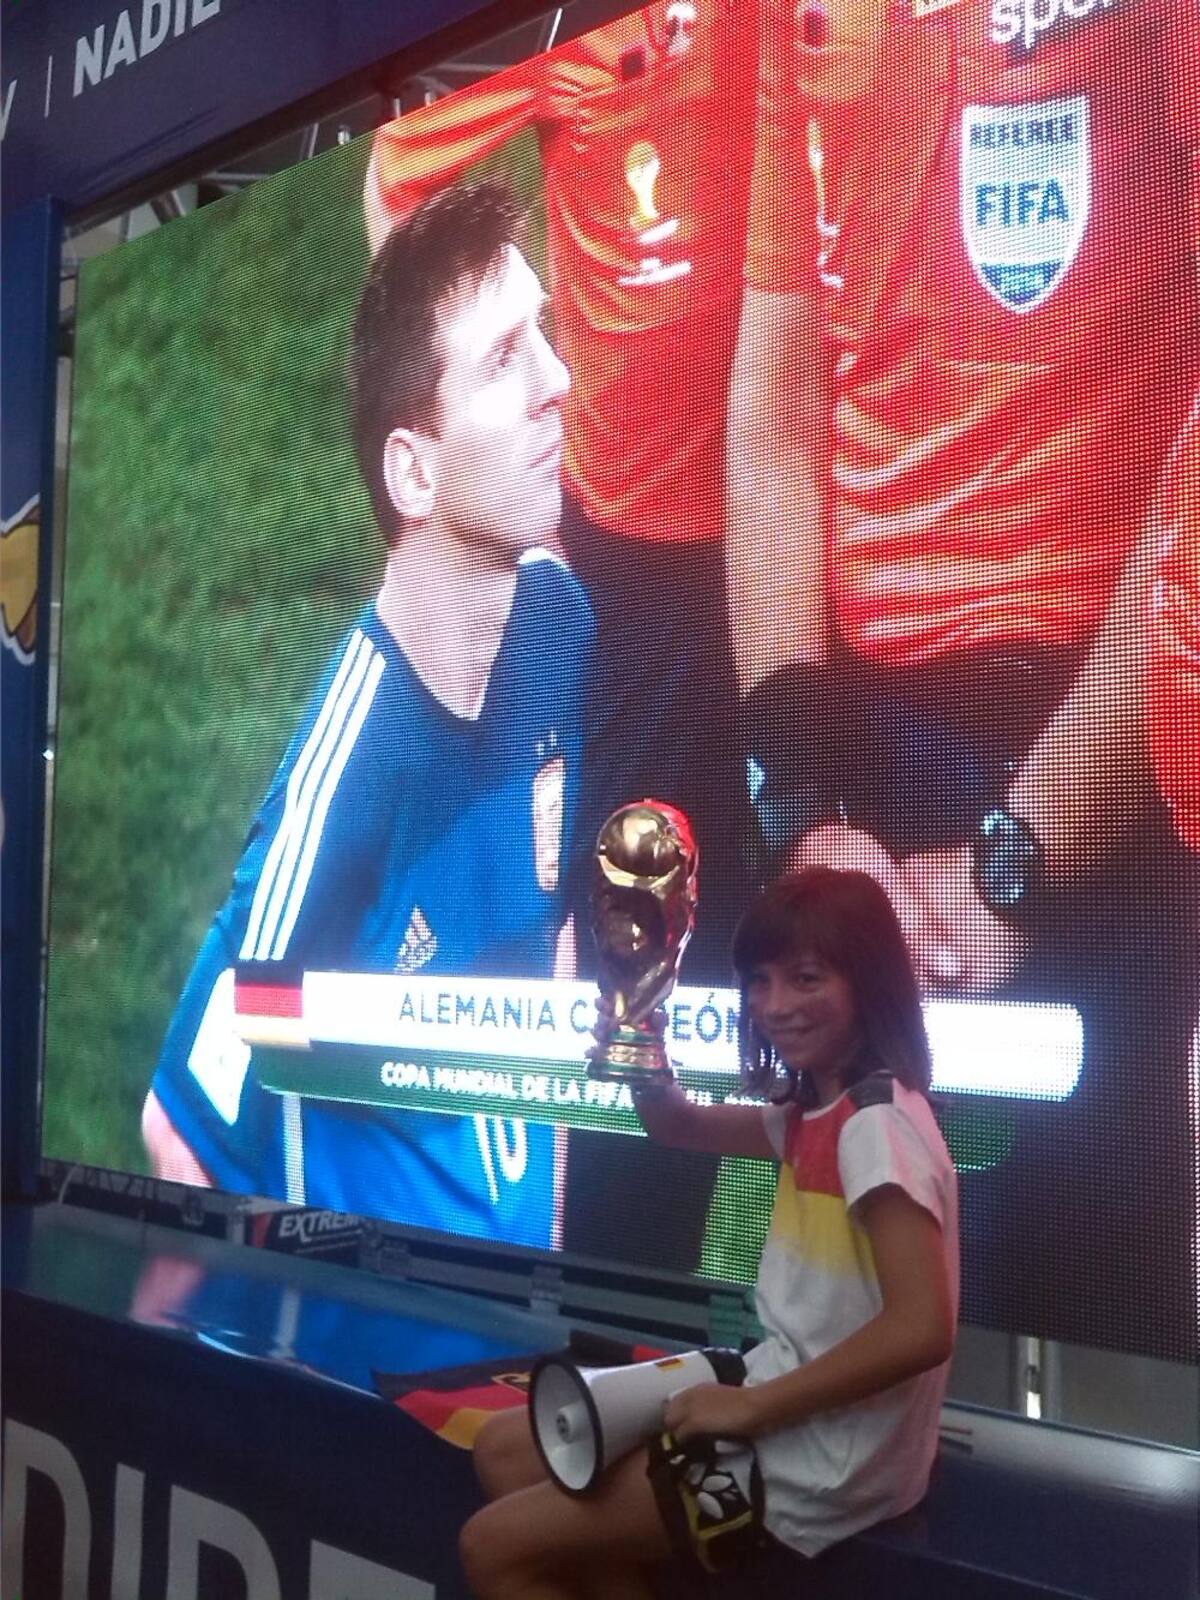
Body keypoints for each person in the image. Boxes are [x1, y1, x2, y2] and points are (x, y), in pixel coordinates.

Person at [728, 0, 1200, 1355]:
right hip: (864, 762)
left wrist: (1028, 844)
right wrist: (809, 817)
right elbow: (777, 384)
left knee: (1101, 1363)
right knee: (841, 1316)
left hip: (1109, 738)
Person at [141, 182, 595, 1247]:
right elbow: (178, 1124)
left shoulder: (558, 622)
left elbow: (550, 929)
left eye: (546, 337)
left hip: (508, 1350)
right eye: (504, 359)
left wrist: (547, 1249)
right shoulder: (352, 773)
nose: (559, 382)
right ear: (414, 470)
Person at [458, 867, 959, 1597]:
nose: (776, 1005)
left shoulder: (875, 1127)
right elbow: (678, 1124)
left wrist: (749, 1407)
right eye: (760, 982)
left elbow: (923, 1328)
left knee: (491, 1549)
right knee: (506, 1450)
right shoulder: (819, 1106)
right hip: (785, 1401)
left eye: (806, 979)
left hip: (823, 1463)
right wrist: (638, 1041)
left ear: (868, 981)